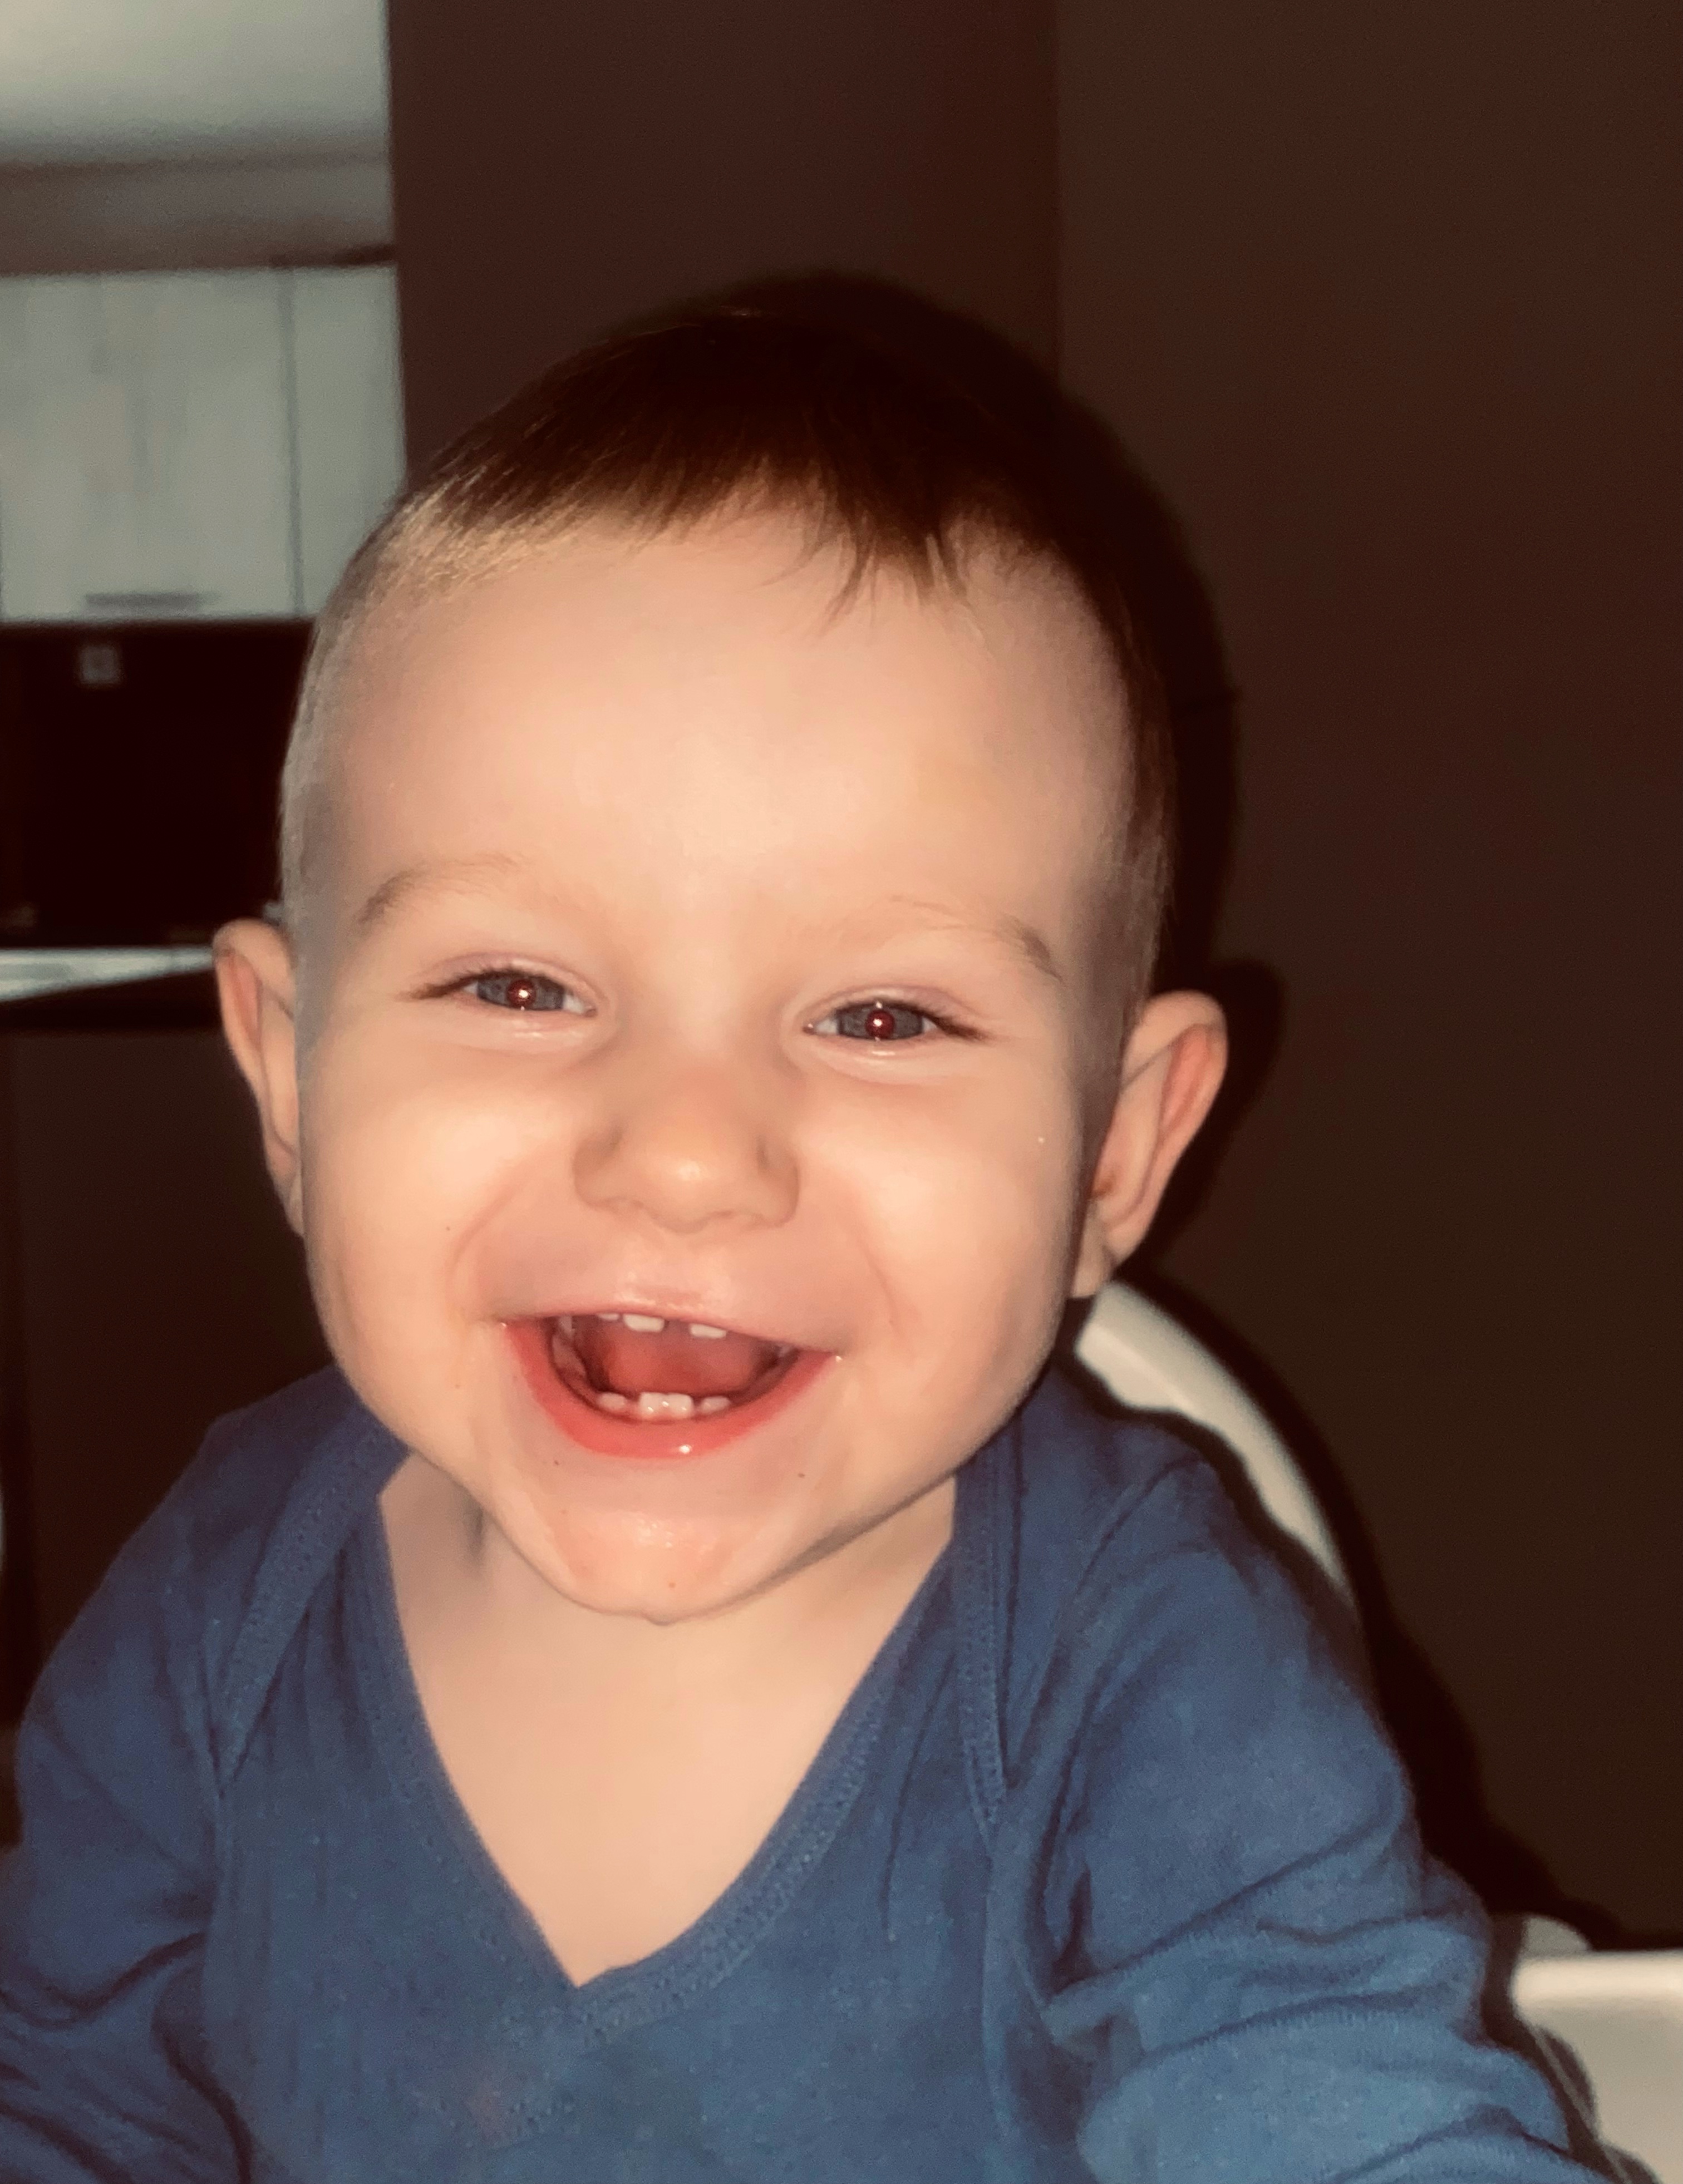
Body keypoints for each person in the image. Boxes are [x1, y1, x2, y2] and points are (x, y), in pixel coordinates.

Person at [0, 284, 1611, 2181]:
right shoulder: (212, 1616)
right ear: (289, 1075)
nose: (688, 1157)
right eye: (517, 984)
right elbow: (60, 2094)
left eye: (883, 1015)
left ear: (1114, 1152)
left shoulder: (1148, 1677)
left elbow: (1343, 2115)